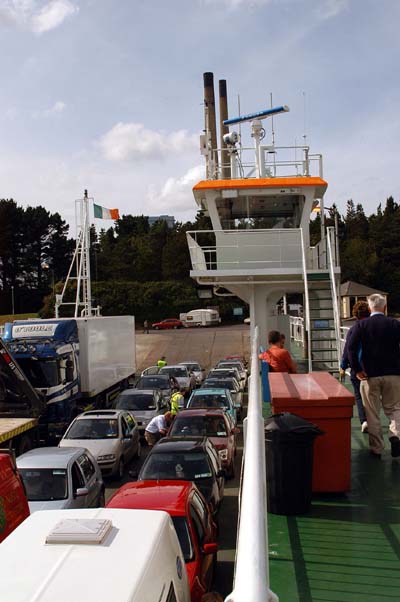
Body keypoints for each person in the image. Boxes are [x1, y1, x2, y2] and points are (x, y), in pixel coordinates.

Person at [348, 293, 400, 457]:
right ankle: (396, 435)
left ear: (370, 307)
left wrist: (357, 369)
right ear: (385, 307)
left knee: (371, 412)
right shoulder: (395, 324)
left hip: (369, 375)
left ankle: (377, 448)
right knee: (395, 409)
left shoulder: (361, 326)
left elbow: (350, 348)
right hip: (393, 373)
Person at [340, 300, 370, 433]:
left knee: (359, 396)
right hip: (375, 368)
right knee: (373, 397)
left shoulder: (354, 329)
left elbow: (348, 349)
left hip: (358, 368)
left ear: (355, 315)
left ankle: (364, 421)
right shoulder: (374, 327)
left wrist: (343, 366)